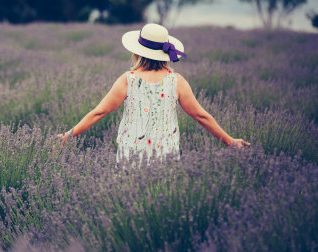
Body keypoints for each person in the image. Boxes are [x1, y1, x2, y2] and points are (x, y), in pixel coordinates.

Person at [60, 23, 249, 161]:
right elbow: (201, 116)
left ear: (137, 52)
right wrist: (229, 141)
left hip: (131, 157)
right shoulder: (176, 81)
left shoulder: (128, 80)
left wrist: (69, 135)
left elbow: (99, 112)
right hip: (165, 157)